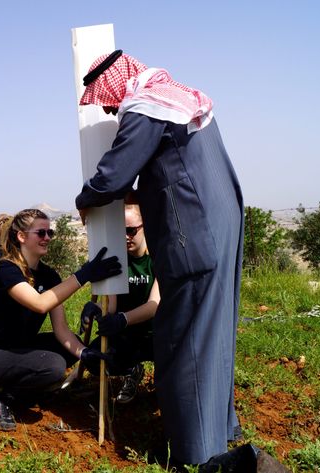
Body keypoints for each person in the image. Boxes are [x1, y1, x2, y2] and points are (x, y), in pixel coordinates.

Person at [75, 51, 244, 466]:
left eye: (108, 100)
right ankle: (222, 430)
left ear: (117, 83)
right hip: (219, 228)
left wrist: (84, 199)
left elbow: (114, 176)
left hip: (191, 237)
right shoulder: (179, 98)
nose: (112, 108)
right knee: (213, 332)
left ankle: (198, 455)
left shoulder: (146, 107)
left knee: (182, 341)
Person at [0, 209, 122, 431]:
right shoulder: (7, 269)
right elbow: (40, 303)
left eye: (50, 232)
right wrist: (83, 275)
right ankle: (4, 399)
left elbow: (61, 331)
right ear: (22, 236)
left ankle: (31, 387)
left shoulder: (49, 276)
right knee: (53, 366)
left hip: (20, 348)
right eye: (41, 233)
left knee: (71, 347)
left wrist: (84, 354)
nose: (47, 237)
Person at [81, 196, 160, 404]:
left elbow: (154, 305)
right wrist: (96, 308)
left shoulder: (158, 259)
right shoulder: (117, 261)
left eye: (131, 230)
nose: (125, 237)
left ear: (145, 227)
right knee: (95, 359)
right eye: (120, 231)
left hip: (157, 334)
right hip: (125, 335)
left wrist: (123, 319)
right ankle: (132, 370)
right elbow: (112, 306)